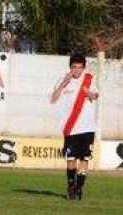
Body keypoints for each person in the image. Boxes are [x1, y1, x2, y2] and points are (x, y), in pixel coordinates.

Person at [50, 52, 99, 201]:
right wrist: (64, 84)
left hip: (87, 127)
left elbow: (96, 95)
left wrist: (89, 93)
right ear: (70, 67)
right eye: (74, 67)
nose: (77, 70)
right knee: (71, 159)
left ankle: (80, 188)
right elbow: (53, 99)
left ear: (83, 67)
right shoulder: (63, 80)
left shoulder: (90, 79)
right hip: (70, 127)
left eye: (80, 67)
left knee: (84, 159)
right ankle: (71, 185)